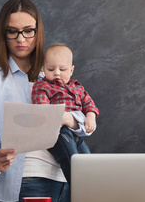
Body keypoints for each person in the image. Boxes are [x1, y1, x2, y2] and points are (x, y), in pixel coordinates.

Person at [0, 0, 84, 202]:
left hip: (68, 182)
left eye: (28, 31)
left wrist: (67, 118)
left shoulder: (54, 73)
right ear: (2, 34)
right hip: (27, 182)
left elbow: (83, 123)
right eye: (12, 31)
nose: (20, 39)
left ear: (38, 32)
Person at [32, 44, 99, 185]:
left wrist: (90, 117)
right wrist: (59, 118)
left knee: (88, 163)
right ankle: (80, 189)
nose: (57, 73)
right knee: (71, 160)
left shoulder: (77, 87)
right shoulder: (42, 87)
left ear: (71, 70)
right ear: (43, 69)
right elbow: (43, 110)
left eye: (62, 69)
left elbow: (89, 105)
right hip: (58, 132)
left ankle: (93, 188)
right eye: (50, 69)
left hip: (76, 136)